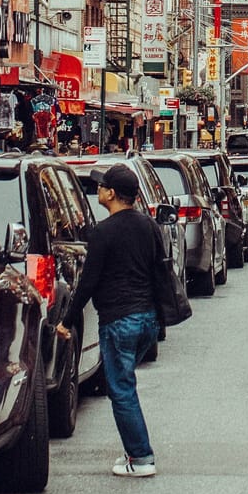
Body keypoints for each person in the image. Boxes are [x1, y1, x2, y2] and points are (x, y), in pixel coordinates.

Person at [56, 163, 164, 477]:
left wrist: (67, 320)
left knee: (121, 390)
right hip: (147, 321)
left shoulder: (103, 232)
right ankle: (134, 452)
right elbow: (160, 272)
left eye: (102, 186)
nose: (98, 190)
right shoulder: (148, 226)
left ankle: (141, 458)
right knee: (124, 384)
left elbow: (87, 283)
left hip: (119, 320)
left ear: (112, 193)